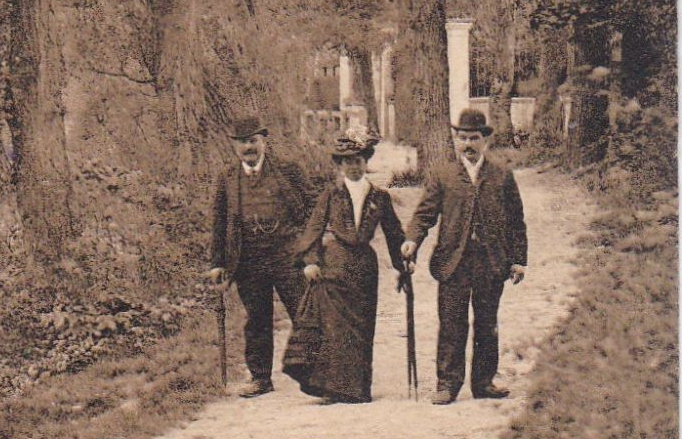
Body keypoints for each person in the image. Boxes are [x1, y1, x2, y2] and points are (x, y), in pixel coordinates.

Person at [400, 108, 528, 406]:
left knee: (487, 322)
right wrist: (411, 241)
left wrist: (518, 259)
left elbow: (516, 221)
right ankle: (447, 383)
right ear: (455, 140)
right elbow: (424, 214)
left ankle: (483, 382)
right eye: (462, 138)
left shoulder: (501, 175)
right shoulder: (443, 175)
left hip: (490, 261)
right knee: (451, 323)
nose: (468, 144)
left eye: (474, 138)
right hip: (453, 261)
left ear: (485, 140)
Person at [283, 131, 407, 404]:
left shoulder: (380, 197)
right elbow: (313, 228)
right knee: (334, 330)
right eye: (347, 161)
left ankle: (358, 389)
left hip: (364, 268)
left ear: (366, 163)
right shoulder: (330, 195)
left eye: (358, 160)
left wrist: (402, 267)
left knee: (362, 328)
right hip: (334, 265)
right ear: (339, 166)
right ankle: (331, 387)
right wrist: (311, 261)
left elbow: (394, 234)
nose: (353, 166)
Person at [208, 115, 314, 398]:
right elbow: (219, 222)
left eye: (253, 141)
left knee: (303, 310)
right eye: (242, 143)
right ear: (234, 147)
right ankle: (260, 378)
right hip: (248, 259)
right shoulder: (227, 178)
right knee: (257, 318)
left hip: (287, 255)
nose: (248, 148)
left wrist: (309, 247)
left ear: (263, 141)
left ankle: (319, 371)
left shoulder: (288, 170)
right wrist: (217, 263)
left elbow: (312, 208)